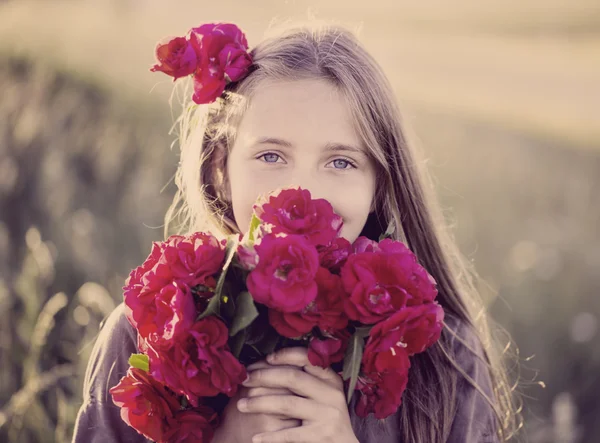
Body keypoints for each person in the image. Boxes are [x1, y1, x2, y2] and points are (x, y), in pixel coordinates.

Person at [72, 21, 522, 443]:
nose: (303, 194)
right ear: (220, 168)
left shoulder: (445, 356)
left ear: (379, 184)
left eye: (341, 162)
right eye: (271, 156)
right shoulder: (147, 333)